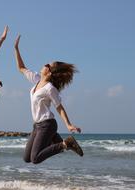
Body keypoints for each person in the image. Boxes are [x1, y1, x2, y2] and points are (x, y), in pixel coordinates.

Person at [14, 35, 84, 164]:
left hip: (47, 124)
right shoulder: (36, 80)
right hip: (37, 125)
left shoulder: (50, 88)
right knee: (26, 158)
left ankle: (65, 144)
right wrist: (16, 49)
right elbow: (21, 68)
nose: (44, 65)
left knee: (35, 159)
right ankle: (58, 140)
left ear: (49, 72)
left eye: (47, 65)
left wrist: (68, 124)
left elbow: (59, 107)